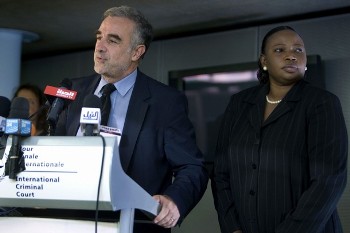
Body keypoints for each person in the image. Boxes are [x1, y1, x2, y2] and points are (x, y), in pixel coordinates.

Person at [54, 5, 208, 233]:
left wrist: (174, 200)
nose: (100, 47)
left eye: (113, 40)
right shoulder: (72, 90)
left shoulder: (164, 102)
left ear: (137, 52)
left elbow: (192, 166)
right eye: (99, 37)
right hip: (67, 223)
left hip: (133, 224)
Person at [212, 26, 348, 233]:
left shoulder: (322, 103)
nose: (291, 56)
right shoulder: (239, 104)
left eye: (298, 50)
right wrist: (233, 227)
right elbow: (221, 171)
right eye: (279, 50)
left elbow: (327, 182)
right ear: (264, 61)